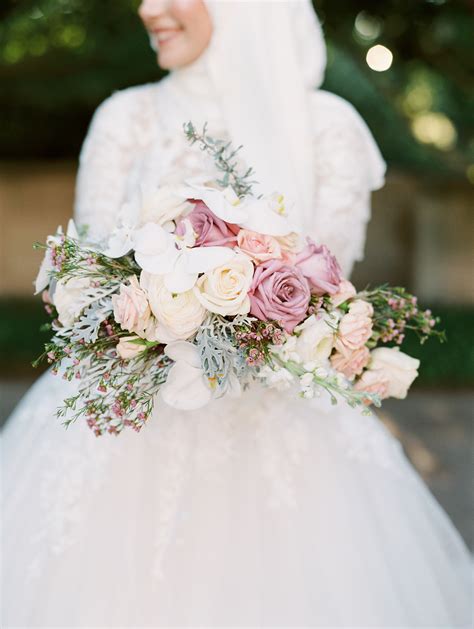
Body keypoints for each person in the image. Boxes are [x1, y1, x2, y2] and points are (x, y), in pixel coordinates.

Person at [2, 1, 472, 626]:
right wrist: (147, 309)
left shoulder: (328, 129)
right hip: (124, 425)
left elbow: (321, 289)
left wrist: (233, 308)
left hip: (282, 427)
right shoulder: (126, 119)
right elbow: (85, 279)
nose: (149, 9)